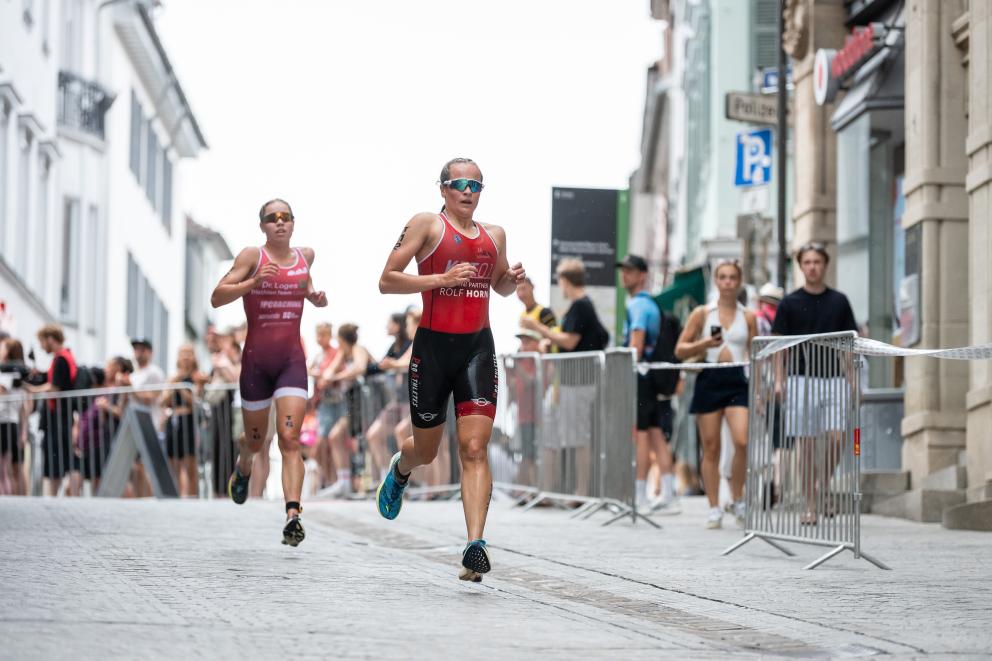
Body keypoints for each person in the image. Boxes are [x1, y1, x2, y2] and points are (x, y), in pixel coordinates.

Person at [376, 157, 526, 582]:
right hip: (433, 348)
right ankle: (400, 469)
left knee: (474, 448)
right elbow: (386, 280)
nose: (468, 191)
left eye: (476, 185)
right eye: (459, 183)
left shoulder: (494, 235)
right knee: (426, 450)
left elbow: (497, 284)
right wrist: (439, 280)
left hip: (477, 348)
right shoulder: (427, 225)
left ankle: (474, 545)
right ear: (442, 188)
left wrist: (511, 281)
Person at [210, 197, 327, 546]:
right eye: (272, 218)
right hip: (257, 363)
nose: (280, 223)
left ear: (294, 223)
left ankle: (293, 514)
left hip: (292, 361)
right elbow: (217, 297)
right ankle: (243, 465)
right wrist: (254, 281)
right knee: (257, 441)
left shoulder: (305, 256)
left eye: (286, 217)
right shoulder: (251, 256)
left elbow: (303, 286)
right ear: (262, 225)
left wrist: (313, 297)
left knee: (290, 440)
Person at [771, 242, 857, 525]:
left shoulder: (839, 301)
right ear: (800, 265)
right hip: (799, 378)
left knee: (837, 436)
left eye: (817, 262)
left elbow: (848, 344)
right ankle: (810, 503)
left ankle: (822, 484)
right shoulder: (789, 302)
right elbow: (779, 346)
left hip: (833, 377)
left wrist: (853, 379)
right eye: (807, 262)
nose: (812, 267)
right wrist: (780, 380)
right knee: (805, 444)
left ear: (825, 265)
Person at [676, 260, 757, 529]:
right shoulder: (702, 313)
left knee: (742, 441)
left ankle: (737, 497)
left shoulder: (748, 316)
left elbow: (756, 354)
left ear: (739, 281)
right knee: (710, 446)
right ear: (716, 281)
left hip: (736, 378)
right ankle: (714, 507)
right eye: (722, 277)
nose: (727, 282)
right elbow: (680, 350)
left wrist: (762, 390)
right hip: (709, 377)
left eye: (732, 277)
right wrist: (705, 343)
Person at [617, 254, 677, 510]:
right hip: (651, 377)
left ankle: (639, 495)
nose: (624, 275)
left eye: (630, 271)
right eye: (623, 270)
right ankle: (670, 495)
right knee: (654, 434)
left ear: (642, 274)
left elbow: (636, 345)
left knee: (642, 436)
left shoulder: (638, 305)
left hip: (641, 376)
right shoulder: (647, 303)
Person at [24, 324, 79, 496]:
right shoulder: (65, 357)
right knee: (64, 458)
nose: (41, 346)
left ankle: (54, 497)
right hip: (61, 417)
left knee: (58, 458)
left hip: (58, 418)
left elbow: (55, 387)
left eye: (42, 342)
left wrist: (33, 390)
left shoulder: (60, 359)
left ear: (50, 339)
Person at [319, 323, 372, 496]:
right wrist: (327, 375)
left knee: (362, 440)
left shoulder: (358, 349)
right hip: (352, 400)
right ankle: (344, 481)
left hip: (366, 399)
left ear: (341, 339)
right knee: (338, 437)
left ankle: (366, 480)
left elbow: (359, 368)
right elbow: (329, 371)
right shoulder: (344, 352)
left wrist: (336, 376)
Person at [521, 258, 608, 353]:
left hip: (582, 366)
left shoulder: (581, 305)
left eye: (560, 282)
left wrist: (537, 326)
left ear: (565, 281)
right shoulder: (582, 304)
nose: (560, 287)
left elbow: (569, 342)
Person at [364, 313, 412, 483]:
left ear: (398, 326)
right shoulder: (395, 345)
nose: (386, 327)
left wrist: (391, 365)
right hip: (398, 400)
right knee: (373, 435)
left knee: (407, 439)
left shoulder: (409, 344)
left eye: (389, 323)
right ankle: (388, 477)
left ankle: (406, 481)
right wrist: (366, 366)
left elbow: (398, 363)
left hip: (411, 401)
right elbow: (381, 365)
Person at [76, 357, 132, 494]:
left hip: (115, 437)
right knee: (98, 477)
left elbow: (122, 412)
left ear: (118, 368)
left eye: (109, 366)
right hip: (102, 438)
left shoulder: (123, 387)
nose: (106, 369)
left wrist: (106, 406)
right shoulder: (106, 389)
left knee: (117, 477)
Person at [161, 345, 206, 497]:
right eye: (182, 353)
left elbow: (196, 402)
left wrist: (180, 387)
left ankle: (192, 497)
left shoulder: (197, 377)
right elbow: (164, 401)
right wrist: (174, 384)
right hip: (173, 421)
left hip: (190, 422)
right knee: (173, 462)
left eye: (189, 353)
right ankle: (175, 496)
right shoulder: (173, 377)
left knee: (190, 463)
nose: (185, 357)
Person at [0, 338, 30, 495]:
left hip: (5, 422)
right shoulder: (20, 374)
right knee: (13, 468)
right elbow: (25, 408)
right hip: (13, 423)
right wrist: (23, 430)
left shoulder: (6, 373)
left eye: (2, 348)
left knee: (5, 470)